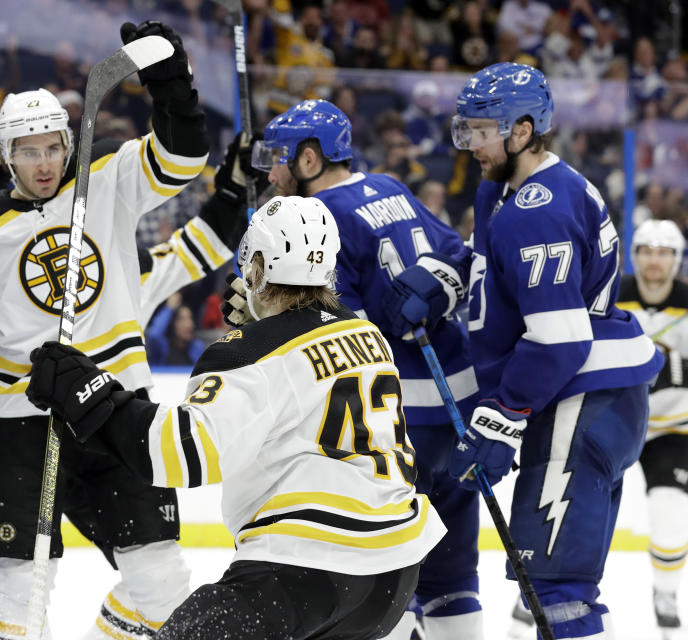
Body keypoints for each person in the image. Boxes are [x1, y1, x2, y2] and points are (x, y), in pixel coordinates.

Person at [0, 20, 209, 640]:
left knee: (161, 580)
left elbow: (182, 158)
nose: (44, 164)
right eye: (29, 151)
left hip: (117, 404)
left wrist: (172, 87)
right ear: (7, 154)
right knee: (20, 581)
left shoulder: (108, 179)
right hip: (27, 417)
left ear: (67, 143)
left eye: (52, 148)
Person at [25, 195, 446, 640]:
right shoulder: (367, 334)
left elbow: (181, 452)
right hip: (394, 577)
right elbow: (302, 347)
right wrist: (261, 319)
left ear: (258, 267)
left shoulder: (244, 353)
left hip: (308, 567)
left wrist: (88, 392)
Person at [384, 62, 663, 640]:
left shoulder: (540, 212)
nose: (470, 145)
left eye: (481, 130)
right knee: (555, 587)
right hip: (586, 400)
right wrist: (448, 278)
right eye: (465, 130)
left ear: (523, 130)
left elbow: (560, 337)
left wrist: (504, 415)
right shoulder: (505, 194)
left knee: (558, 596)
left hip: (579, 403)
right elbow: (492, 263)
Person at [247, 98, 482, 639]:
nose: (273, 172)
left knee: (382, 577)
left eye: (280, 158)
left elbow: (336, 331)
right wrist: (434, 290)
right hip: (456, 408)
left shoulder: (316, 218)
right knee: (453, 577)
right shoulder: (392, 188)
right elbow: (459, 257)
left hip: (390, 421)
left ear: (310, 160)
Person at [512, 219, 686, 639]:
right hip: (615, 419)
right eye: (647, 250)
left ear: (677, 258)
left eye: (664, 252)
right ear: (635, 254)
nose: (654, 260)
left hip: (671, 429)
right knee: (572, 511)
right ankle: (537, 589)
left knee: (669, 514)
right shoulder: (613, 295)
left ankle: (665, 592)